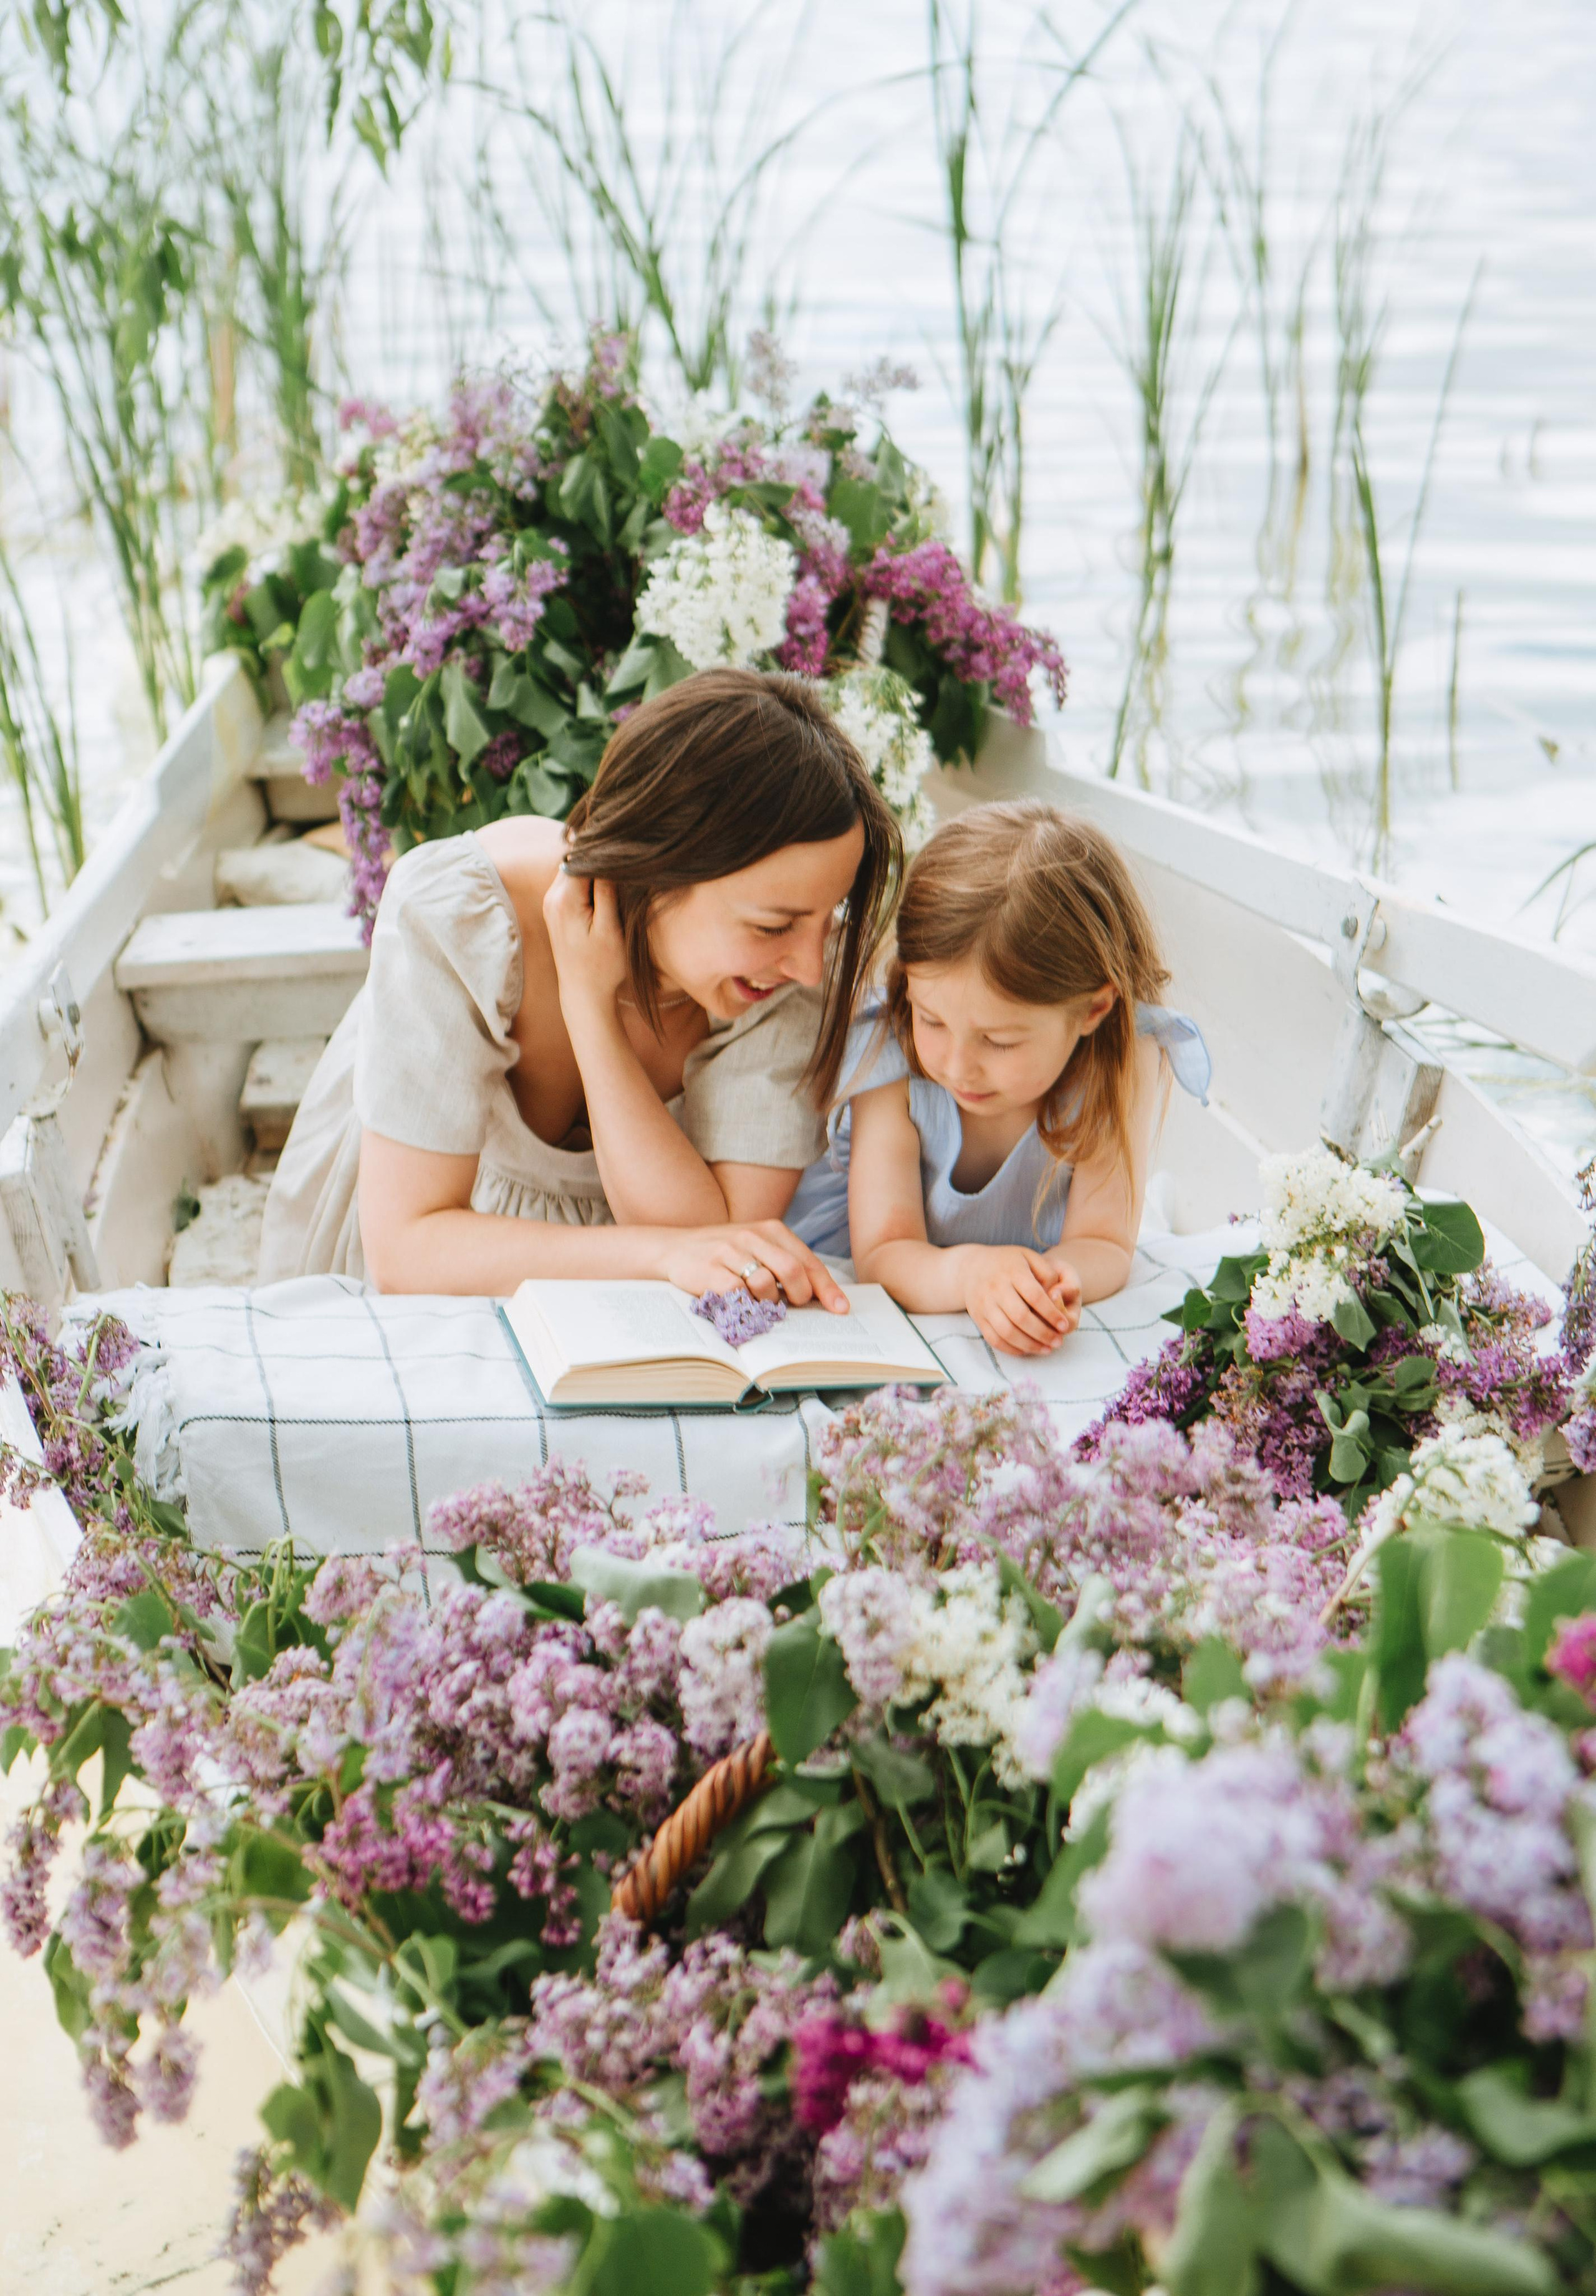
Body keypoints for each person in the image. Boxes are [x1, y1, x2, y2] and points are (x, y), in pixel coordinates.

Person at [257, 669, 901, 1303]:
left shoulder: (785, 977)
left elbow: (718, 1239)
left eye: (828, 917)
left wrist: (591, 1013)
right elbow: (406, 1252)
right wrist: (658, 1256)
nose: (811, 965)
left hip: (633, 1306)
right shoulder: (465, 913)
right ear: (659, 867)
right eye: (772, 925)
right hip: (435, 1282)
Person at [786, 799, 1211, 1356]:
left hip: (1005, 1267)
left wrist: (1041, 1287)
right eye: (932, 1020)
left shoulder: (1123, 1056)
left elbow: (1104, 1242)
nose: (958, 1065)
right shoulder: (891, 1046)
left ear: (1093, 1010)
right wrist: (974, 1276)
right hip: (895, 1264)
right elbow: (885, 1252)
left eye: (1000, 1041)